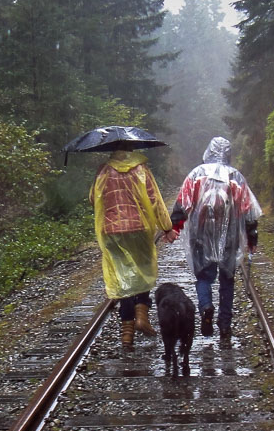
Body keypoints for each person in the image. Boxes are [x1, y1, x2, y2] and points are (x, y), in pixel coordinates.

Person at [163, 137, 262, 340]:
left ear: (208, 151)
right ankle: (224, 324)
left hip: (201, 233)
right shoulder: (236, 176)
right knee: (227, 279)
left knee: (204, 276)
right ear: (228, 153)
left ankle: (206, 307)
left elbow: (183, 204)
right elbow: (248, 211)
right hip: (230, 237)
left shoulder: (197, 174)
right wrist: (252, 238)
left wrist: (174, 228)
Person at [90, 147, 174, 349]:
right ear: (131, 149)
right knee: (143, 271)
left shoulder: (103, 170)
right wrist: (167, 227)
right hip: (139, 228)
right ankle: (142, 315)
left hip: (111, 230)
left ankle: (127, 334)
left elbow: (94, 199)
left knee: (123, 280)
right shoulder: (141, 169)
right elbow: (155, 201)